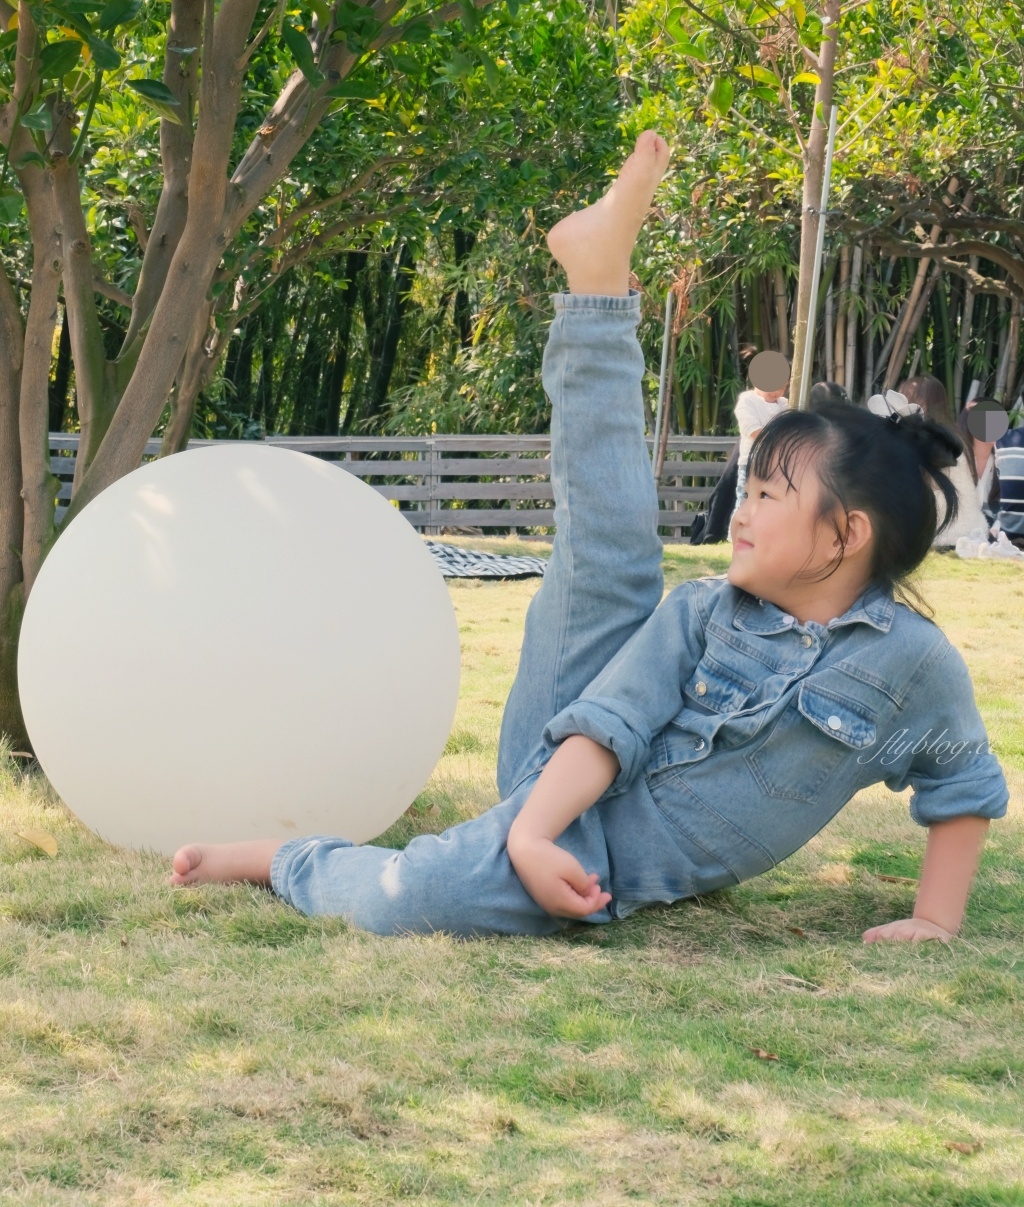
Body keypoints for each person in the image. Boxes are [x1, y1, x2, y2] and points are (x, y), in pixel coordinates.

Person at [169, 132, 1008, 943]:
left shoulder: (909, 662)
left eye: (767, 494)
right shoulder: (706, 611)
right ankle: (598, 283)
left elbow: (960, 780)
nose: (739, 512)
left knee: (408, 897)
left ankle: (277, 857)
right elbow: (609, 720)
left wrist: (935, 919)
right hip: (561, 774)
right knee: (611, 560)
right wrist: (531, 836)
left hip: (601, 854)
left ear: (845, 536)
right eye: (745, 490)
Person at [898, 375, 988, 548]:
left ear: (921, 402)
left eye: (906, 397)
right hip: (970, 527)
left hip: (943, 530)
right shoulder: (955, 437)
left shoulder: (928, 439)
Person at [732, 361, 789, 516]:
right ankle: (736, 535)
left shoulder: (785, 405)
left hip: (777, 464)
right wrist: (779, 437)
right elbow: (752, 430)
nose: (777, 391)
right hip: (751, 462)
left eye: (782, 386)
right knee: (744, 500)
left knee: (770, 503)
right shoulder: (747, 400)